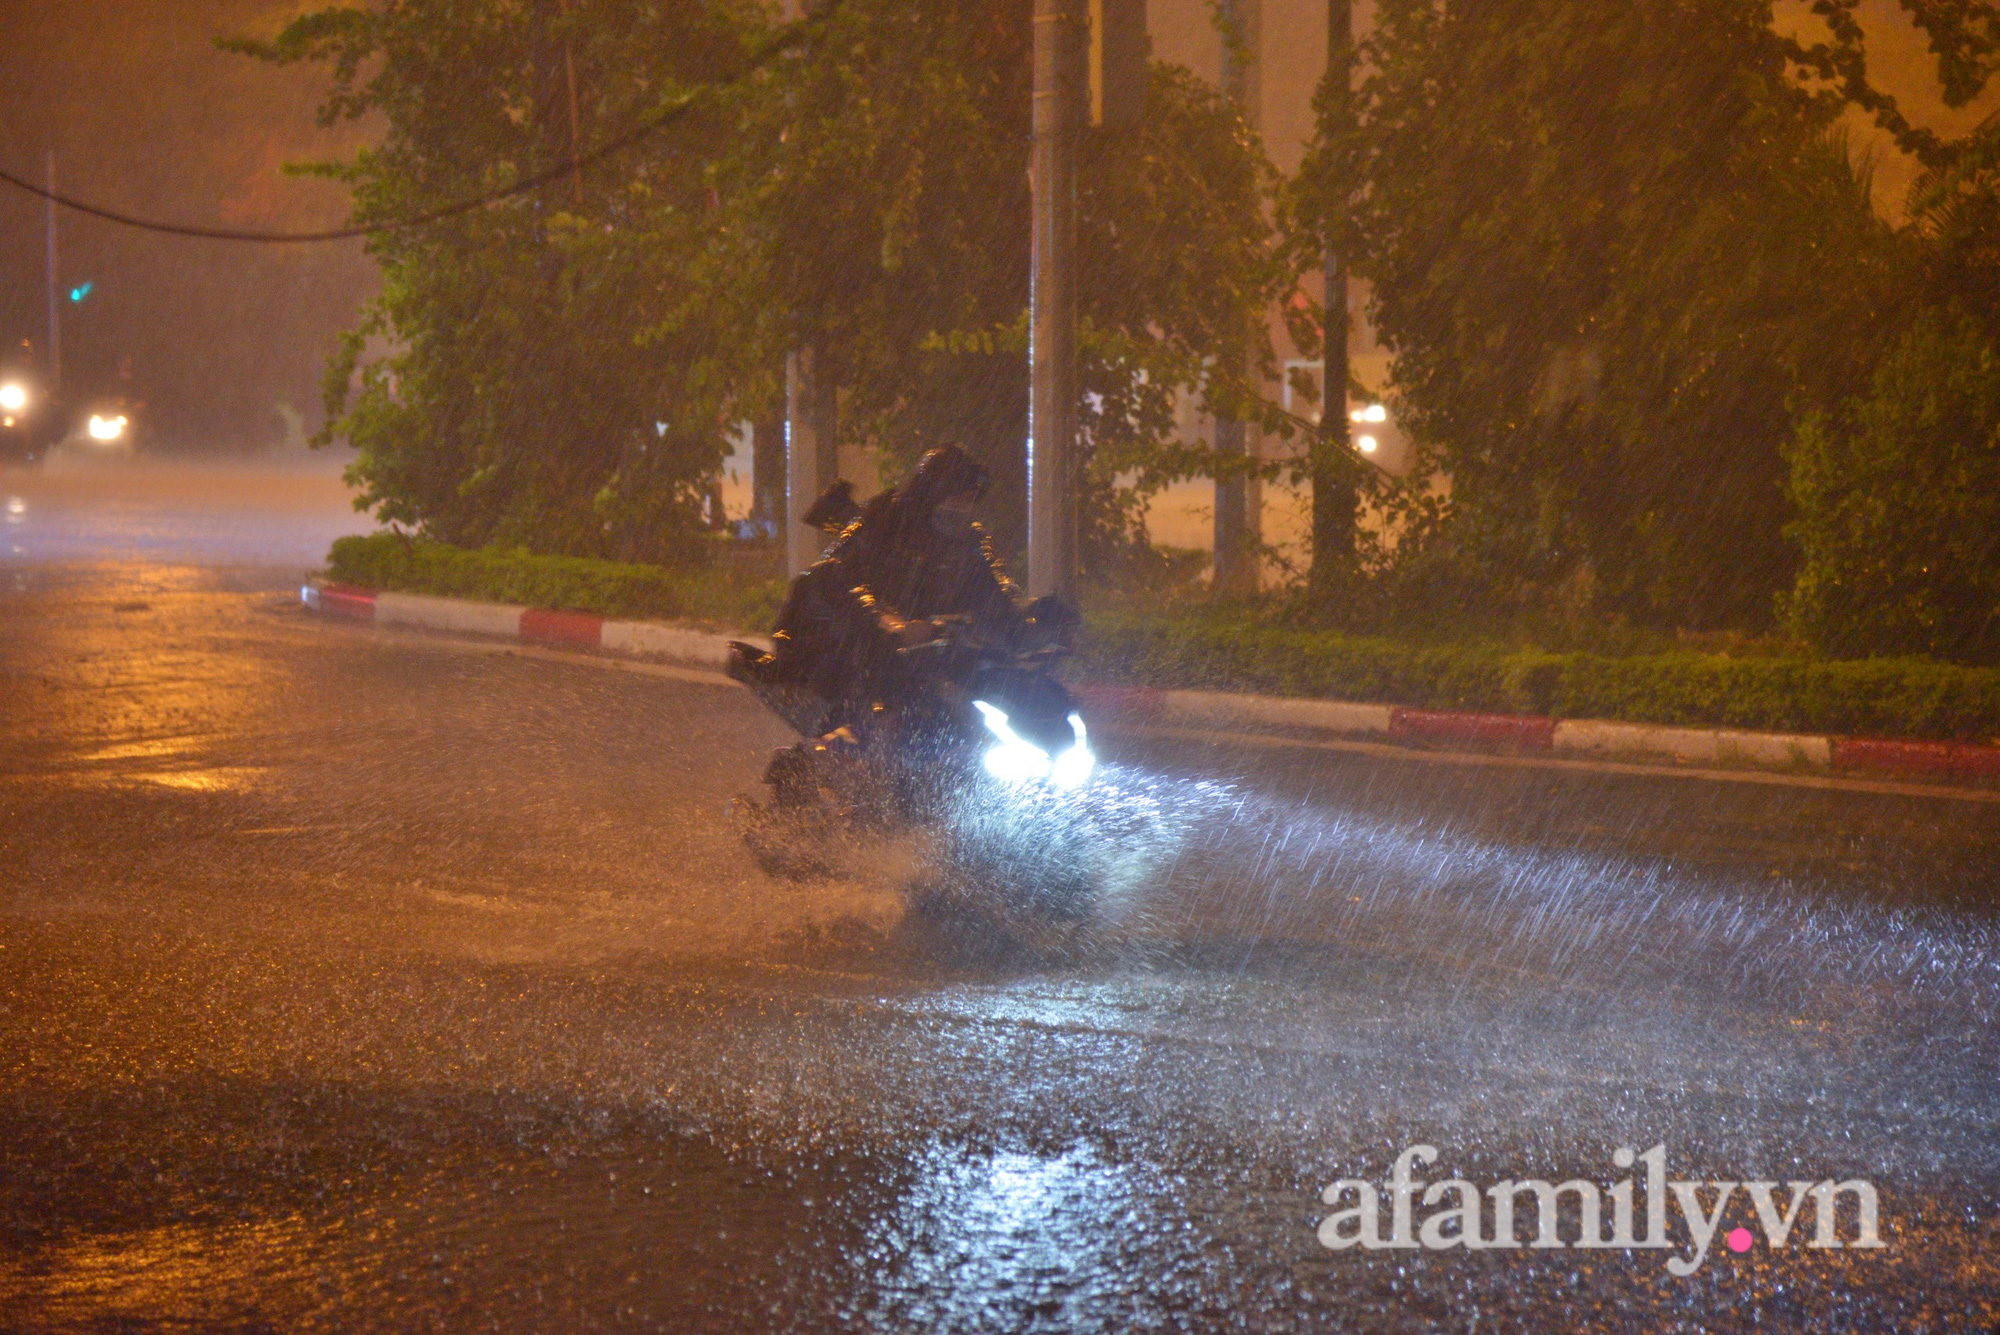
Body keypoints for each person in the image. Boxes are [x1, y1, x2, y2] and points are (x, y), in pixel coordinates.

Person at [729, 444, 1034, 790]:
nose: (960, 508)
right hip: (852, 644)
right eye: (955, 498)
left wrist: (1031, 630)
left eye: (968, 500)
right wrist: (884, 620)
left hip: (923, 653)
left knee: (962, 699)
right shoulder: (882, 518)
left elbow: (996, 593)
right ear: (932, 493)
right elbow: (836, 575)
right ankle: (853, 781)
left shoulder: (969, 541)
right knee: (885, 708)